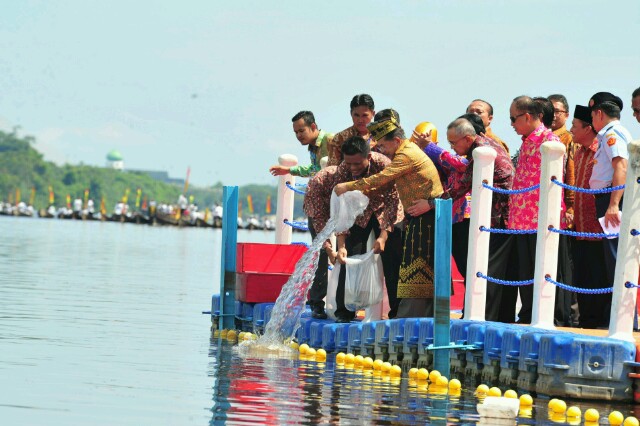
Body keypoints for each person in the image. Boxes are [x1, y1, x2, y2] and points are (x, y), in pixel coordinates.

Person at [335, 112, 444, 318]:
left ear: (395, 140)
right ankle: (411, 314)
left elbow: (380, 179)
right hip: (417, 215)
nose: (381, 150)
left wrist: (348, 186)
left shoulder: (405, 155)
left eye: (383, 145)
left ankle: (416, 315)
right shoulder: (405, 150)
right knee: (412, 267)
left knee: (419, 267)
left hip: (427, 215)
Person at [413, 118, 515, 321]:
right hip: (494, 216)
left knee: (486, 269)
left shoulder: (480, 151)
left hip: (498, 217)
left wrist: (431, 203)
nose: (451, 147)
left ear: (468, 138)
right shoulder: (482, 144)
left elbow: (461, 186)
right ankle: (486, 315)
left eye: (454, 143)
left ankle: (483, 316)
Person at [506, 95, 571, 325]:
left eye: (514, 119)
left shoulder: (550, 141)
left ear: (527, 116)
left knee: (548, 271)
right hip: (521, 220)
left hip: (543, 219)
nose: (512, 124)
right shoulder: (526, 141)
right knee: (526, 272)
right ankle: (528, 314)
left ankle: (554, 317)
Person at [326, 136, 404, 322]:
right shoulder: (342, 170)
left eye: (357, 164)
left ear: (368, 156)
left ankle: (396, 313)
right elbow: (341, 210)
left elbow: (393, 202)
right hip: (358, 214)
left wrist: (383, 236)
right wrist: (341, 244)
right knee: (348, 258)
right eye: (349, 163)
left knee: (393, 262)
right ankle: (344, 312)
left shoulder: (384, 164)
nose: (353, 168)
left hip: (385, 212)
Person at [570, 105, 610, 328]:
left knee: (599, 277)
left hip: (599, 228)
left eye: (575, 126)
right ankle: (586, 320)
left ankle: (600, 321)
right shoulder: (578, 152)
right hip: (580, 228)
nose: (571, 130)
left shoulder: (602, 151)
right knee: (582, 278)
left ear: (588, 128)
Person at [588, 92, 632, 296]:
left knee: (616, 256)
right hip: (609, 197)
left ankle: (626, 319)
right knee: (613, 255)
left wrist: (613, 204)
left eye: (592, 115)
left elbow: (621, 167)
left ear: (599, 113)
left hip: (612, 198)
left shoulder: (611, 134)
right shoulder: (610, 134)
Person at [302, 165, 339, 319]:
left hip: (350, 213)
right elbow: (318, 221)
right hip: (319, 213)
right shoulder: (319, 182)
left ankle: (345, 304)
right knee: (321, 255)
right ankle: (317, 303)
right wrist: (329, 248)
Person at [269, 111, 333, 178]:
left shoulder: (331, 139)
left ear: (313, 127)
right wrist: (288, 170)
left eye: (301, 131)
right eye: (296, 132)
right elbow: (315, 170)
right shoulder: (312, 146)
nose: (298, 135)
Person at [548, 94, 576, 224]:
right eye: (550, 111)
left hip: (562, 202)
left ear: (567, 115)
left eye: (557, 111)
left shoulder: (570, 139)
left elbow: (572, 172)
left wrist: (570, 206)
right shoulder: (541, 137)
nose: (553, 115)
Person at [327, 94, 375, 166]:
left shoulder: (382, 135)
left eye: (364, 115)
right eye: (356, 115)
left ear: (373, 114)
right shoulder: (340, 138)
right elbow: (332, 168)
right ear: (351, 114)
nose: (360, 120)